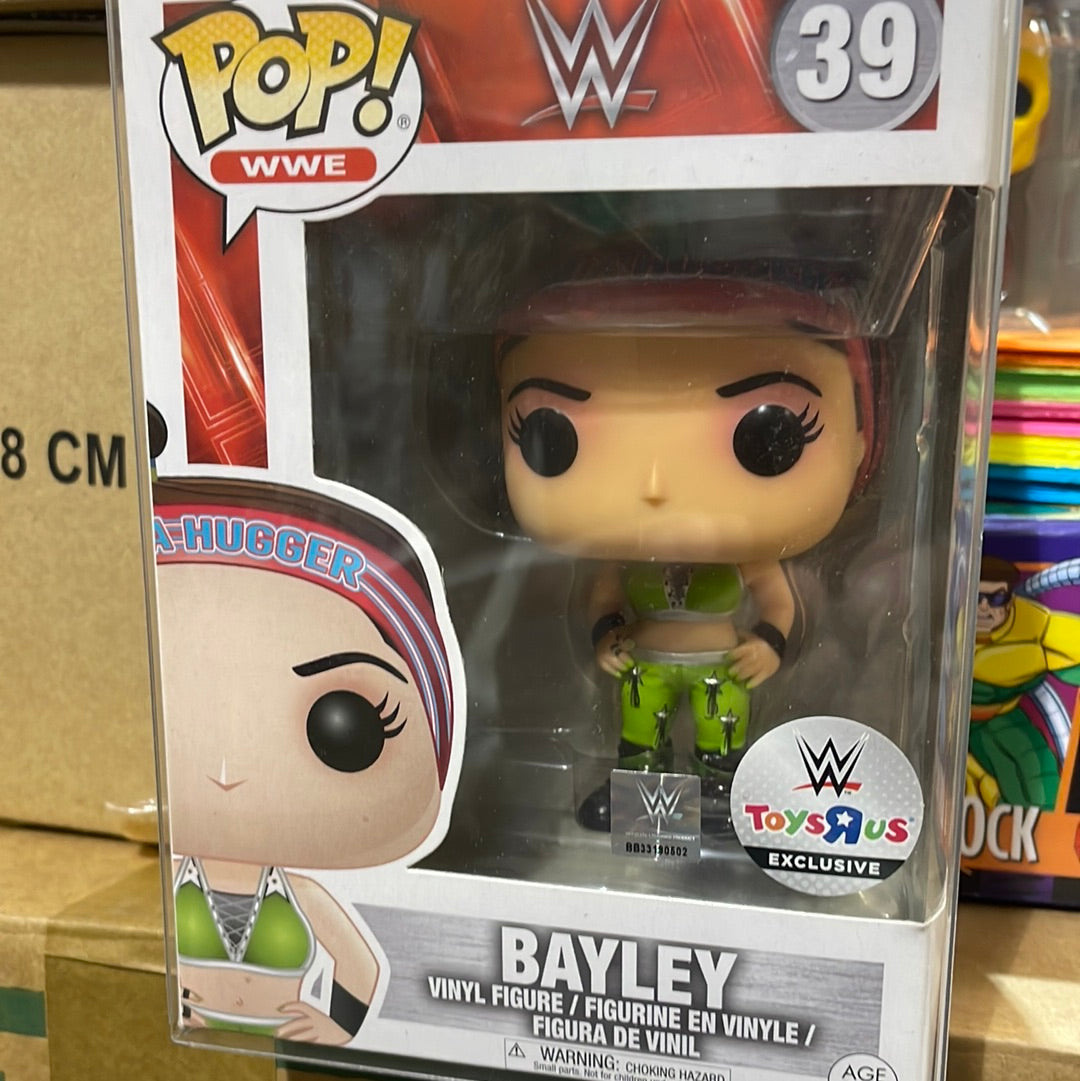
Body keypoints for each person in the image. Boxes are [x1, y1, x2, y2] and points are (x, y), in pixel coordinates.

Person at [496, 275, 876, 829]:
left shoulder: (746, 554)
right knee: (639, 730)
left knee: (720, 733)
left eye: (769, 436)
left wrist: (768, 645)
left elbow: (777, 601)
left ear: (863, 441)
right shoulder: (623, 560)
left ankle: (719, 799)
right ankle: (641, 804)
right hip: (644, 663)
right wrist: (606, 636)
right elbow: (603, 599)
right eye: (553, 433)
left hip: (721, 666)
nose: (656, 486)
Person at [153, 477, 457, 1043]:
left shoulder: (301, 895)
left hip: (287, 1048)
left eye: (344, 727)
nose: (227, 773)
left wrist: (338, 1026)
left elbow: (359, 966)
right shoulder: (162, 881)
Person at [968, 555, 1080, 811]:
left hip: (1001, 719)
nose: (984, 608)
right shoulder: (942, 620)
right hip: (942, 725)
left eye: (996, 598)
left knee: (1037, 781)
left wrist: (1034, 657)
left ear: (1009, 601)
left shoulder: (1034, 625)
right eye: (977, 597)